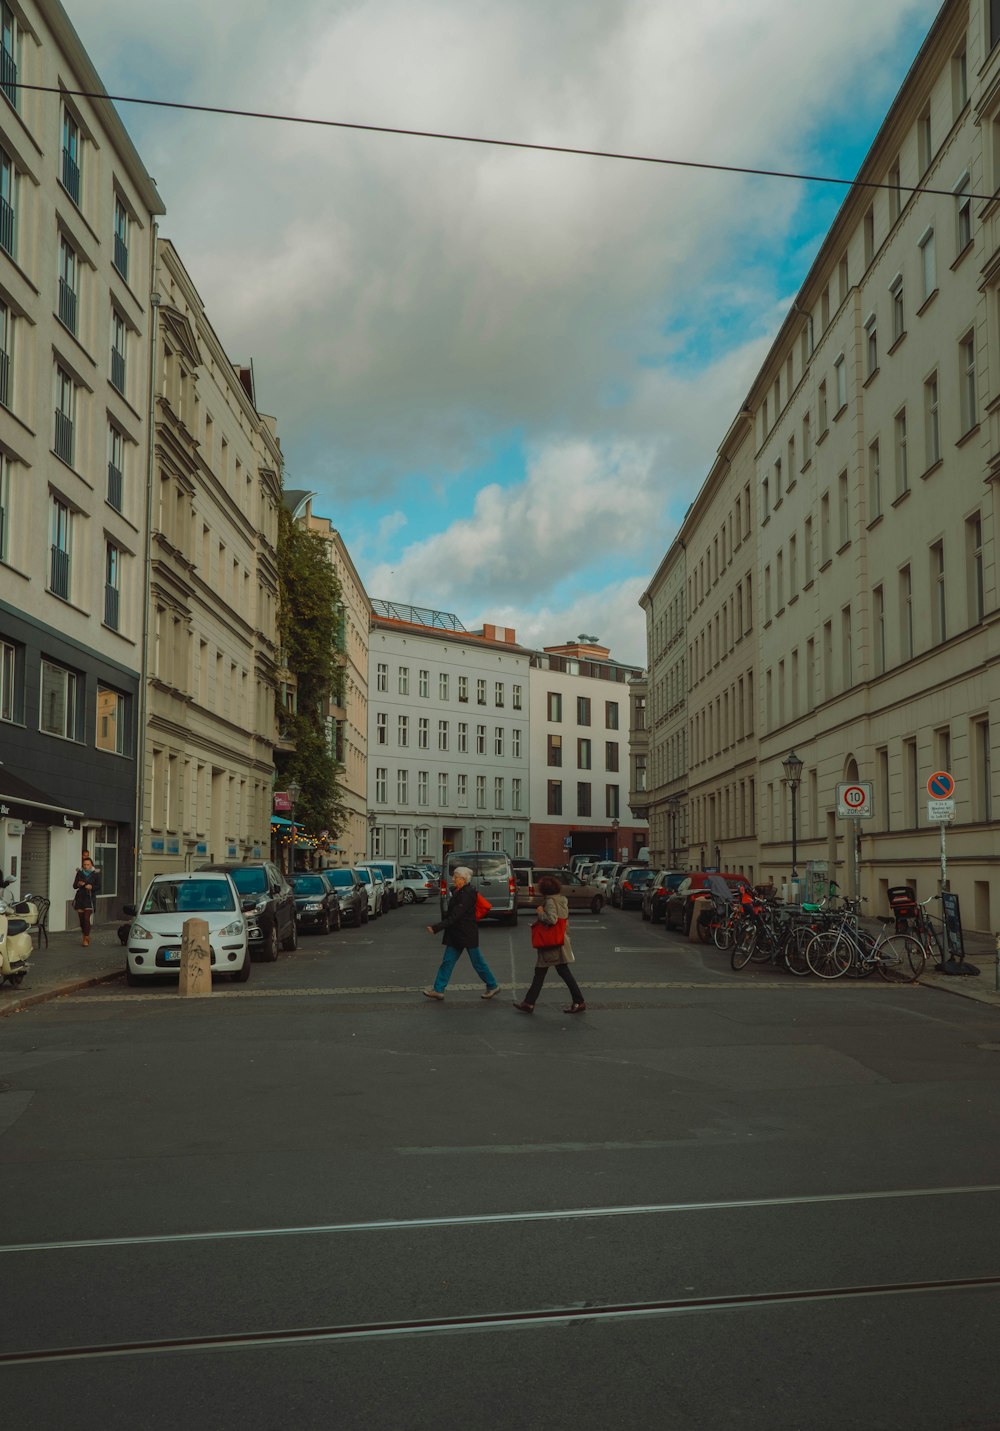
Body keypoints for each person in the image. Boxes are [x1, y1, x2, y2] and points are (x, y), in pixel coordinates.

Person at [422, 866, 500, 1000]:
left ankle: (492, 985)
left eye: (455, 877)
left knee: (477, 963)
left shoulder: (467, 894)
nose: (453, 879)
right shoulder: (461, 891)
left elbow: (455, 916)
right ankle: (438, 989)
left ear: (463, 879)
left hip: (466, 934)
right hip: (458, 934)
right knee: (447, 962)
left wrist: (437, 927)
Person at [513, 874, 586, 1014]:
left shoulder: (550, 901)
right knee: (554, 972)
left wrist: (540, 913)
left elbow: (551, 919)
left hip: (551, 943)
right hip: (560, 940)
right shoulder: (562, 900)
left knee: (545, 972)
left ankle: (578, 1001)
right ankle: (529, 1003)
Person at [73, 851, 100, 947]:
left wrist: (91, 887)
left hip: (89, 898)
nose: (86, 866)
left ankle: (86, 937)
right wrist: (78, 884)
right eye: (84, 864)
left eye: (88, 864)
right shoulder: (79, 873)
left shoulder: (95, 874)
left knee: (86, 918)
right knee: (81, 921)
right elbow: (74, 886)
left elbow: (99, 886)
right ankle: (84, 933)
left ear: (91, 865)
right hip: (80, 898)